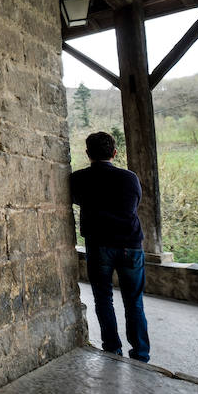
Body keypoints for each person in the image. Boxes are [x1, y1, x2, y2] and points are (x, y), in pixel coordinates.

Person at [70, 131, 150, 362]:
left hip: (98, 246)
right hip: (130, 245)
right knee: (134, 301)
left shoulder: (78, 179)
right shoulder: (129, 178)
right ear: (114, 153)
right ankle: (140, 355)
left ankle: (112, 348)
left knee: (103, 298)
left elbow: (75, 199)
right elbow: (135, 203)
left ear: (88, 154)